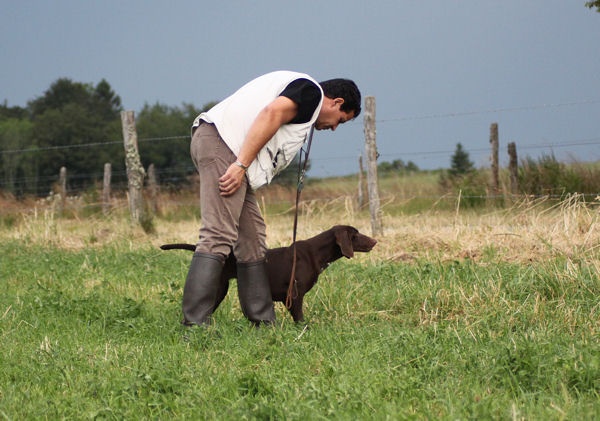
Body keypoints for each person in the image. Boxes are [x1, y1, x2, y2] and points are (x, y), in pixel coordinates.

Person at [183, 70, 361, 326]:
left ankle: (263, 322)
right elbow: (272, 114)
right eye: (340, 120)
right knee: (218, 234)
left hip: (225, 148)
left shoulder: (302, 99)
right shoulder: (311, 93)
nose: (334, 127)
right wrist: (241, 165)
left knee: (252, 237)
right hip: (224, 148)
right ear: (337, 102)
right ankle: (195, 325)